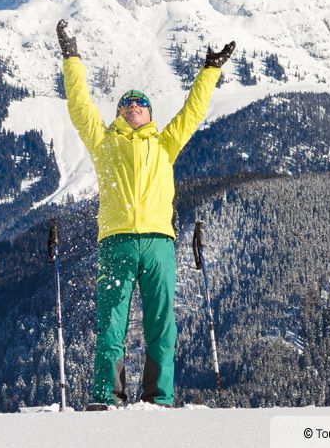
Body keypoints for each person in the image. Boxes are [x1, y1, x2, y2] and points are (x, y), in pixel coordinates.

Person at [56, 20, 233, 408]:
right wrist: (71, 57)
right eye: (127, 103)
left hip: (158, 243)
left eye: (141, 103)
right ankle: (106, 396)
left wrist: (210, 70)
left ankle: (159, 397)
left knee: (160, 326)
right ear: (119, 113)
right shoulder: (104, 143)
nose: (134, 105)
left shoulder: (165, 143)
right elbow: (79, 105)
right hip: (116, 242)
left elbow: (193, 111)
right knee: (111, 326)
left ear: (150, 114)